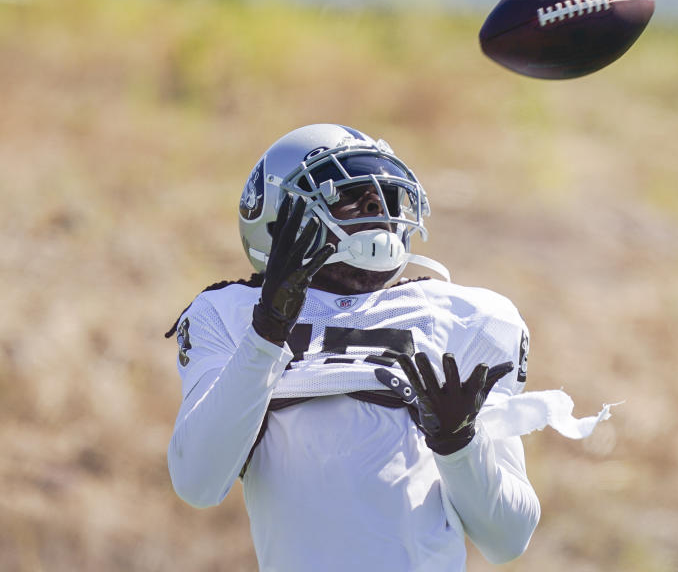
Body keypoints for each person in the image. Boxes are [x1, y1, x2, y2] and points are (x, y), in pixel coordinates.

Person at [165, 123, 540, 571]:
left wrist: (460, 444)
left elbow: (509, 537)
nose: (376, 205)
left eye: (384, 193)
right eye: (346, 192)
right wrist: (267, 331)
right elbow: (197, 482)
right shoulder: (229, 312)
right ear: (280, 218)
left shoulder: (465, 317)